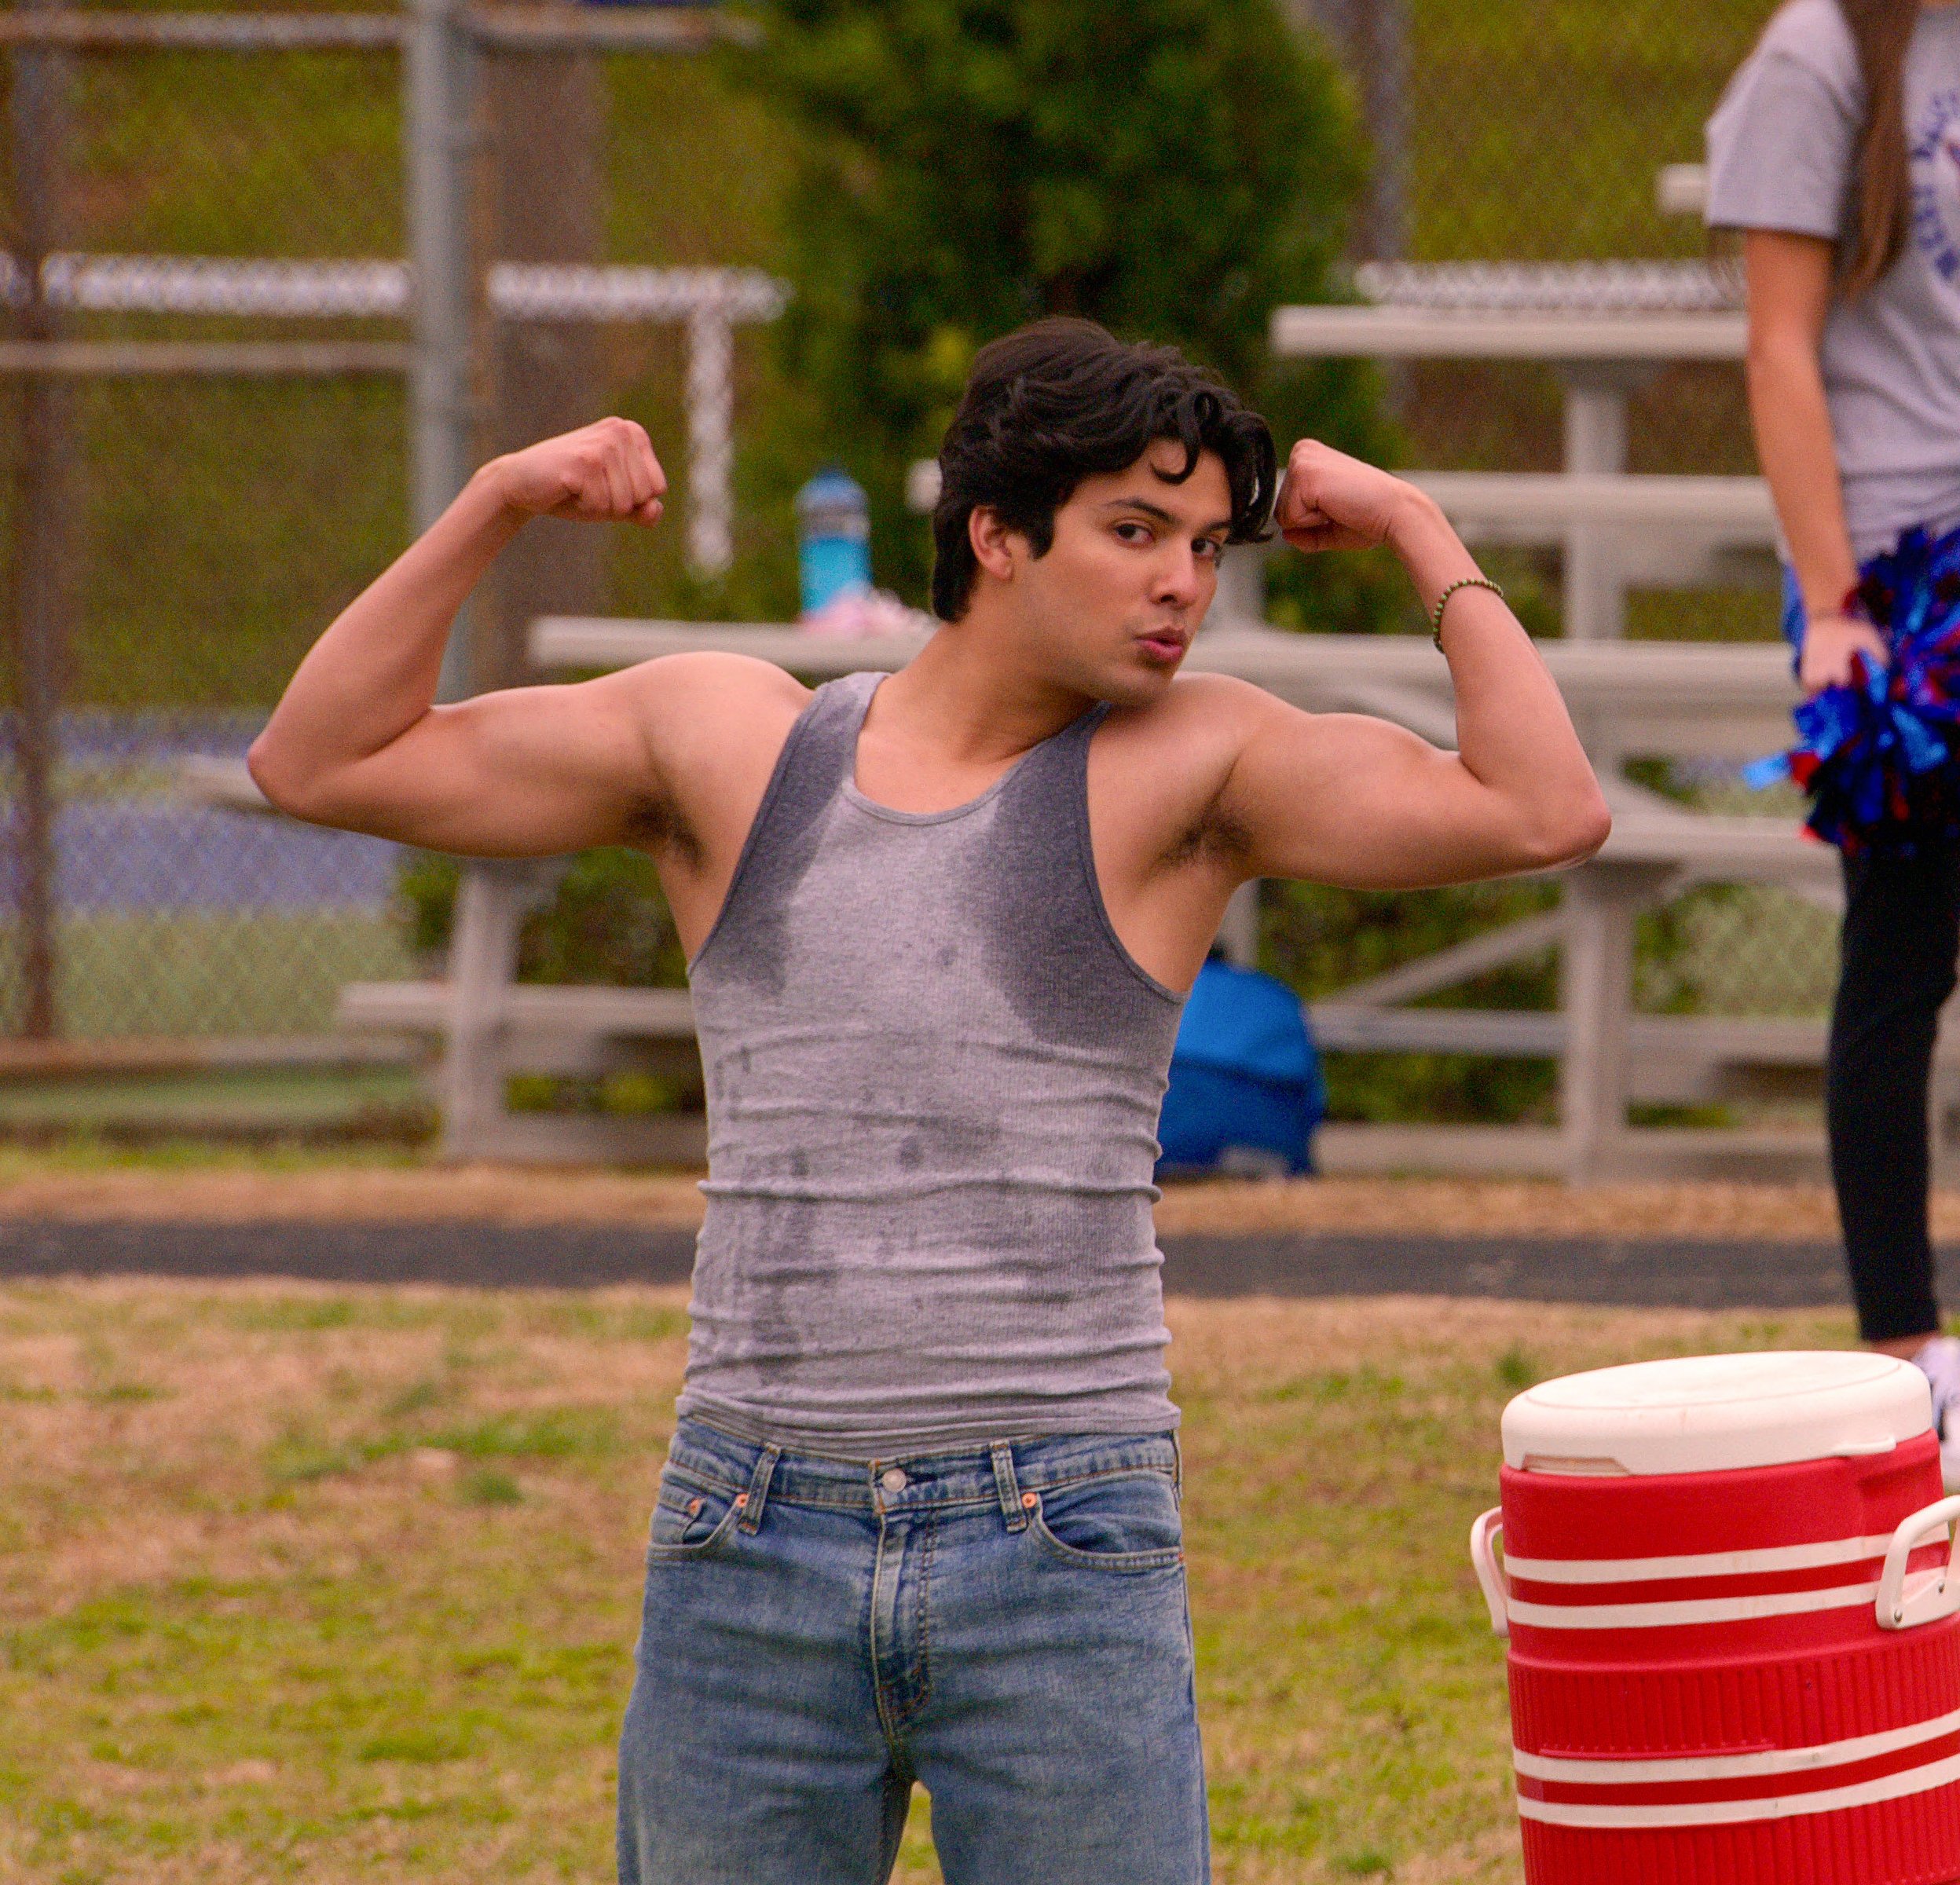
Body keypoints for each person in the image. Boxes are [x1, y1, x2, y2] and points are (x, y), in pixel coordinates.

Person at [248, 317, 1608, 1884]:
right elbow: (319, 758)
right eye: (1133, 530)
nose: (1183, 580)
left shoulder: (1192, 767)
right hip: (750, 1531)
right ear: (996, 536)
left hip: (1064, 1533)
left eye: (1205, 546)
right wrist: (495, 500)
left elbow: (1541, 805)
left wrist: (1417, 533)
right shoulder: (733, 743)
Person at [1708, 0, 1960, 1477]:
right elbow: (1778, 349)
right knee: (1906, 956)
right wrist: (1831, 604)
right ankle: (1906, 1346)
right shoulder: (1820, 55)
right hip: (1901, 588)